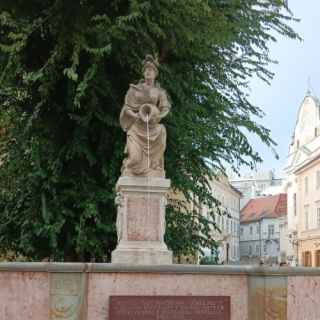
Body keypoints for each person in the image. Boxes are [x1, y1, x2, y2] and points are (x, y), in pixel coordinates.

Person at [120, 55, 170, 177]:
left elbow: (165, 108)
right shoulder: (135, 89)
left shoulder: (159, 92)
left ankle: (154, 166)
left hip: (152, 127)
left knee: (162, 130)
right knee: (134, 160)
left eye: (151, 70)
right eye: (146, 70)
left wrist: (158, 116)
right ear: (143, 73)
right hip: (136, 127)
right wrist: (136, 115)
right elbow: (126, 108)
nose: (148, 72)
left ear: (155, 74)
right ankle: (128, 166)